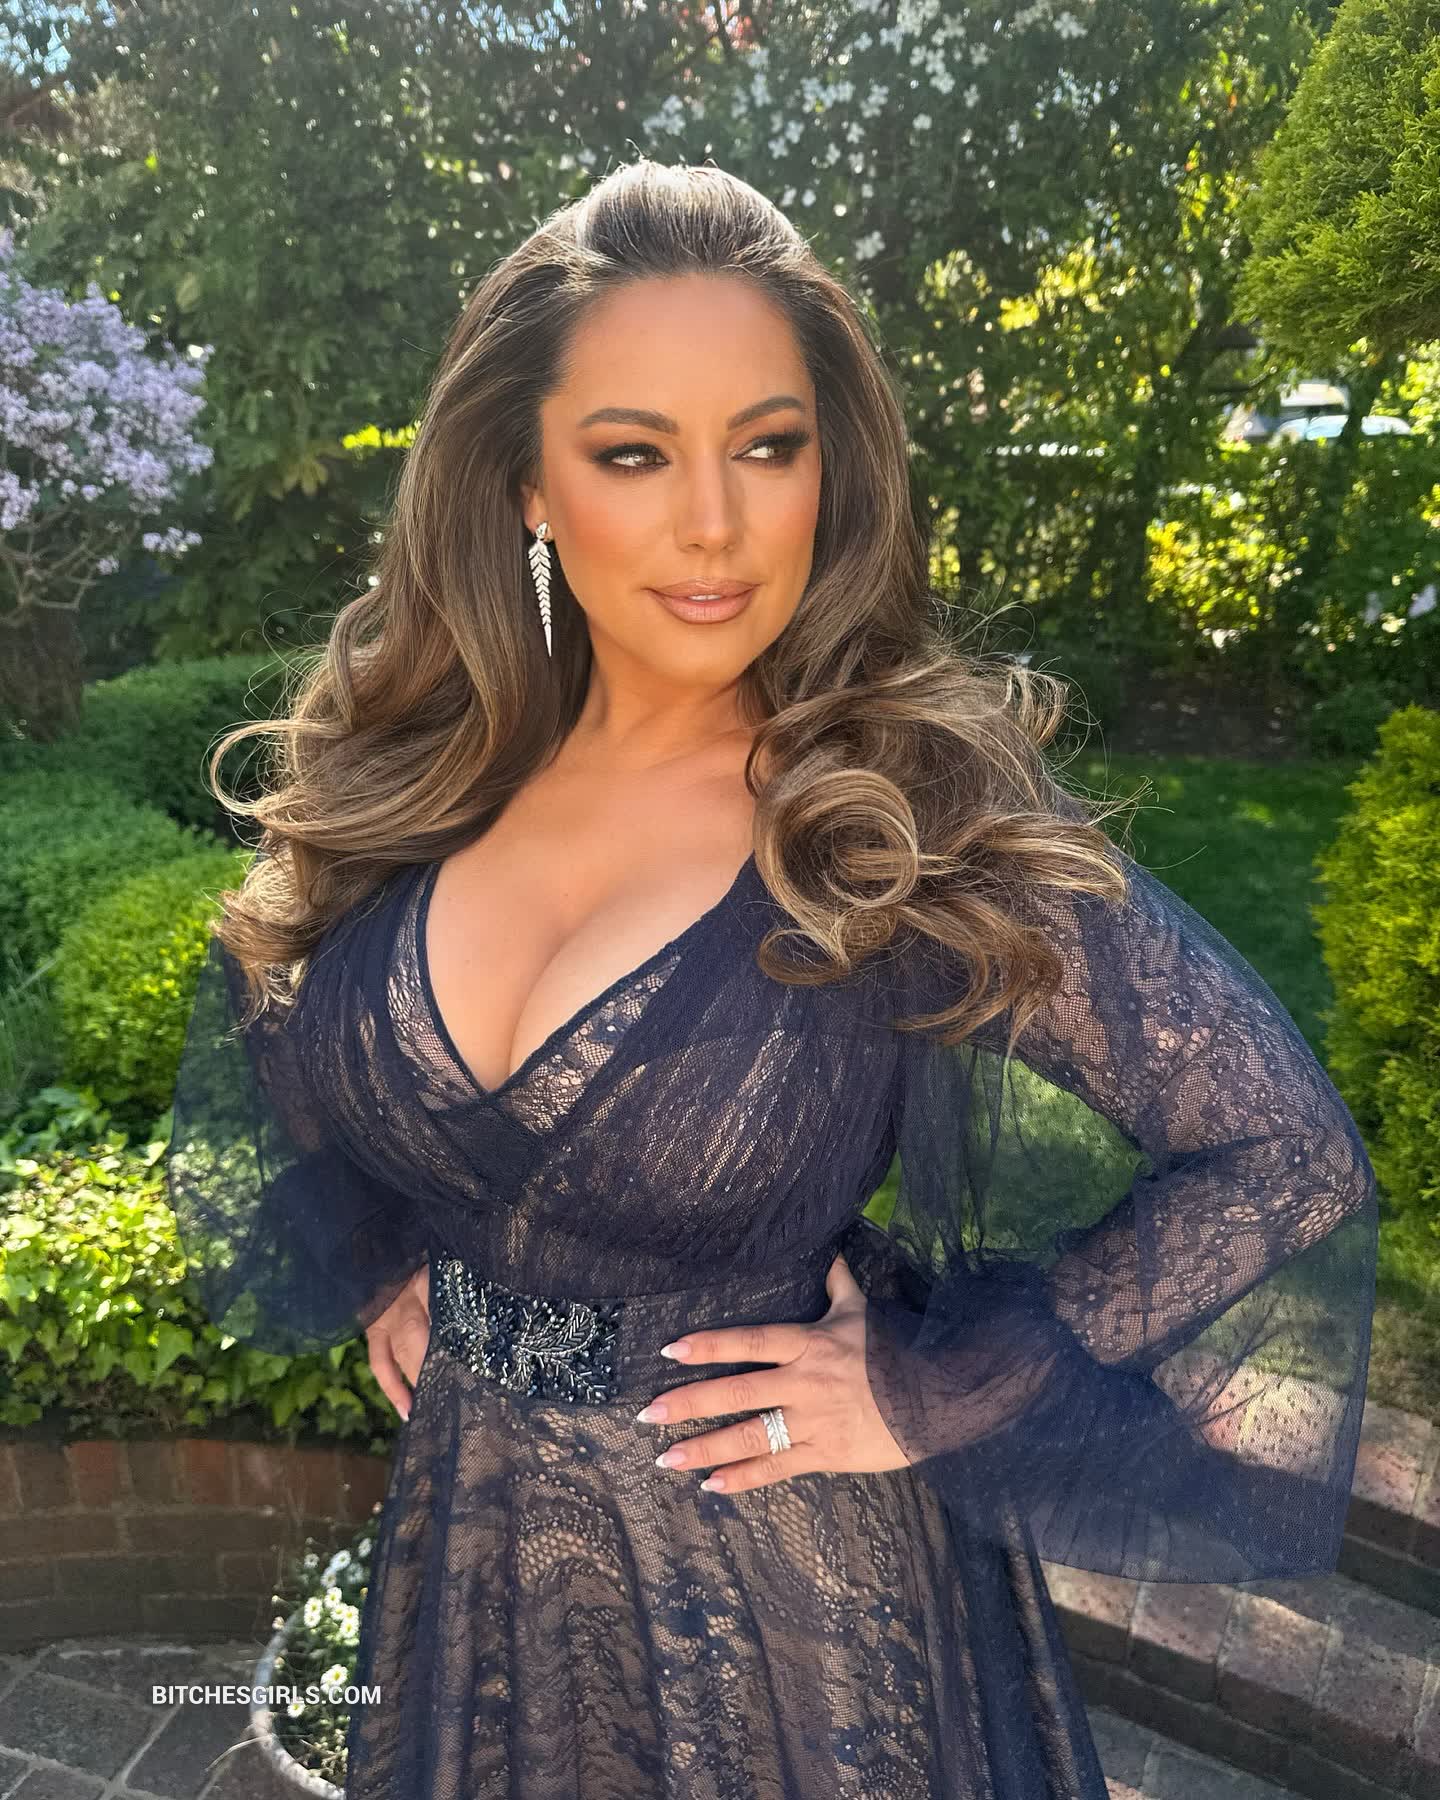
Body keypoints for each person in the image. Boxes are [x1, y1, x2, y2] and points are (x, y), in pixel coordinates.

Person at [164, 158, 1378, 1799]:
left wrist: (936, 1389)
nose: (715, 524)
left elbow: (1282, 1153)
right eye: (633, 454)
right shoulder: (429, 775)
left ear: (829, 467)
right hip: (483, 1559)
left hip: (785, 1616)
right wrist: (390, 1261)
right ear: (526, 485)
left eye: (766, 446)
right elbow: (279, 1000)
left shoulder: (891, 823)